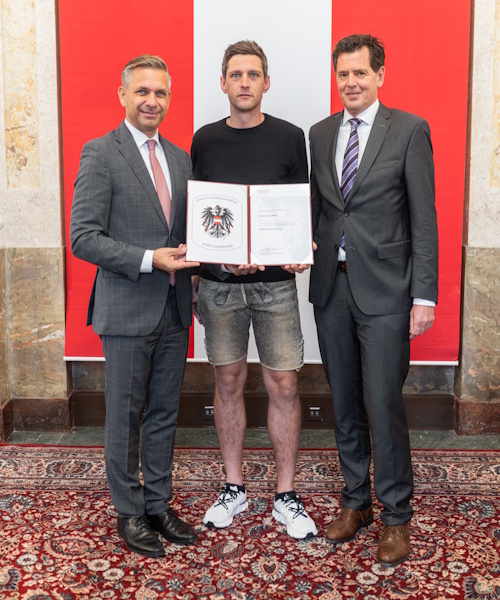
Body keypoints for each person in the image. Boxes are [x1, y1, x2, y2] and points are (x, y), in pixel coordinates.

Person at [309, 34, 438, 565]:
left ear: (380, 75)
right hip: (331, 288)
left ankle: (396, 516)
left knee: (383, 404)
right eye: (343, 74)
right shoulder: (319, 133)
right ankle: (356, 502)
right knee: (344, 402)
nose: (351, 82)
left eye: (360, 73)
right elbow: (318, 210)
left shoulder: (408, 130)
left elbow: (424, 219)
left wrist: (423, 295)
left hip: (387, 290)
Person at [70, 55, 200, 558]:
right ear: (122, 94)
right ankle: (129, 511)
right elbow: (84, 237)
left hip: (174, 308)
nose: (152, 100)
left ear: (169, 98)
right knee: (125, 415)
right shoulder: (101, 153)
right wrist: (149, 259)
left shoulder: (181, 159)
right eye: (142, 91)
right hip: (126, 308)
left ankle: (158, 504)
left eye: (160, 92)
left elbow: (188, 235)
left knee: (165, 413)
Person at [191, 40, 317, 540]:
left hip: (275, 287)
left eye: (253, 74)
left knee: (283, 385)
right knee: (227, 381)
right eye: (236, 74)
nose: (245, 82)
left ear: (267, 82)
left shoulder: (290, 137)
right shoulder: (204, 139)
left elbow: (301, 207)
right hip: (219, 287)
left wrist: (300, 247)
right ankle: (234, 487)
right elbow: (200, 214)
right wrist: (203, 269)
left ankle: (285, 494)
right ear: (223, 83)